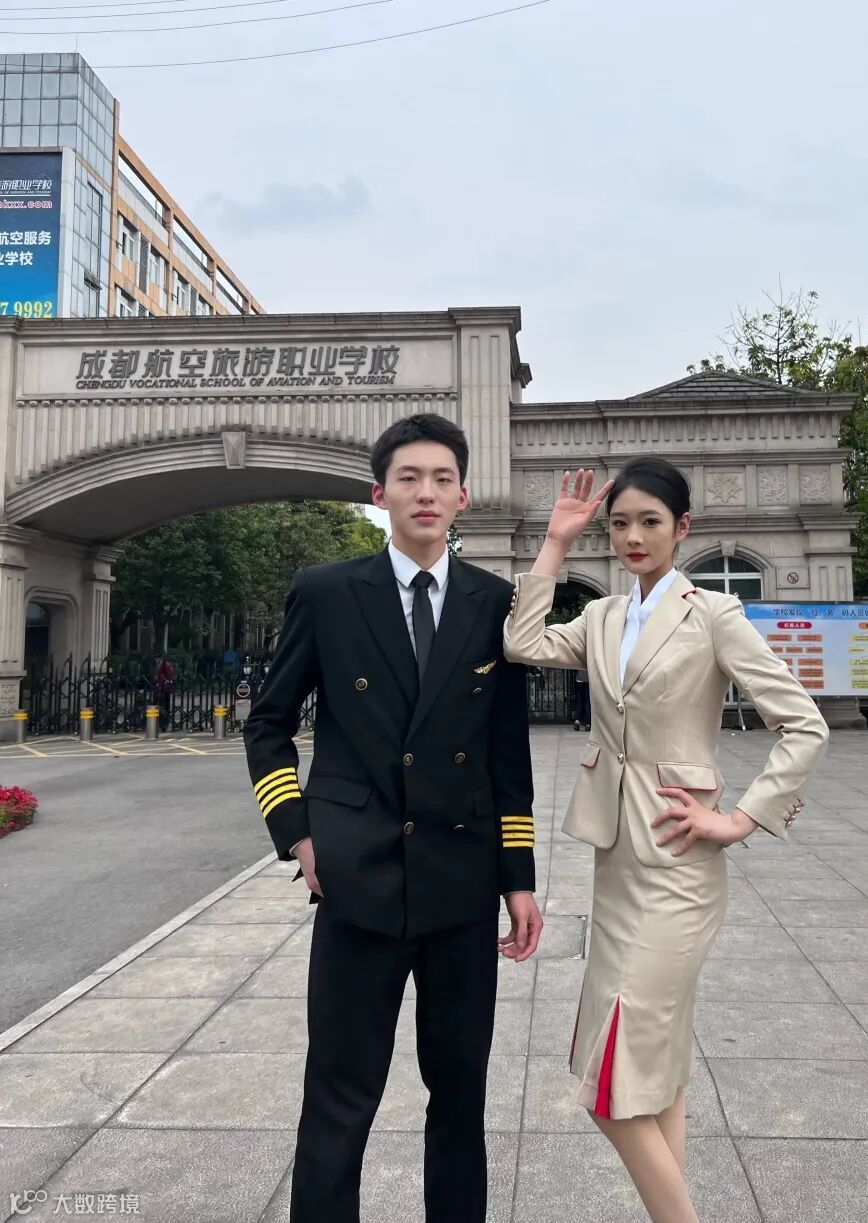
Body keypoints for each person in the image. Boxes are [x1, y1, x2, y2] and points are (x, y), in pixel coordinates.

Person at [503, 460, 829, 1223]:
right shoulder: (601, 617)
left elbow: (804, 724)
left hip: (681, 868)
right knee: (656, 1074)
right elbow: (521, 642)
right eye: (620, 523)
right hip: (615, 864)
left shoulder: (714, 614)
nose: (633, 536)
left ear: (682, 528)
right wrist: (556, 543)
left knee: (610, 1087)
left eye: (650, 521)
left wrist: (741, 818)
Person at [243, 414, 543, 1223]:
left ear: (463, 496)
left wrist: (518, 879)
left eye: (442, 478)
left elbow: (506, 755)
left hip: (461, 883)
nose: (426, 492)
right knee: (339, 1096)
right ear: (380, 494)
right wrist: (297, 832)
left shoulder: (494, 602)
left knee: (461, 1095)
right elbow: (268, 722)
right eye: (409, 477)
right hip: (357, 880)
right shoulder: (328, 592)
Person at [152, 654, 175, 731]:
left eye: (157, 658)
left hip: (164, 689)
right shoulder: (156, 666)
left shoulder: (167, 665)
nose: (156, 660)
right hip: (157, 688)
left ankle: (164, 724)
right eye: (155, 659)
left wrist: (166, 687)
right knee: (155, 705)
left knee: (165, 707)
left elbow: (169, 677)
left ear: (161, 658)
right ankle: (154, 722)